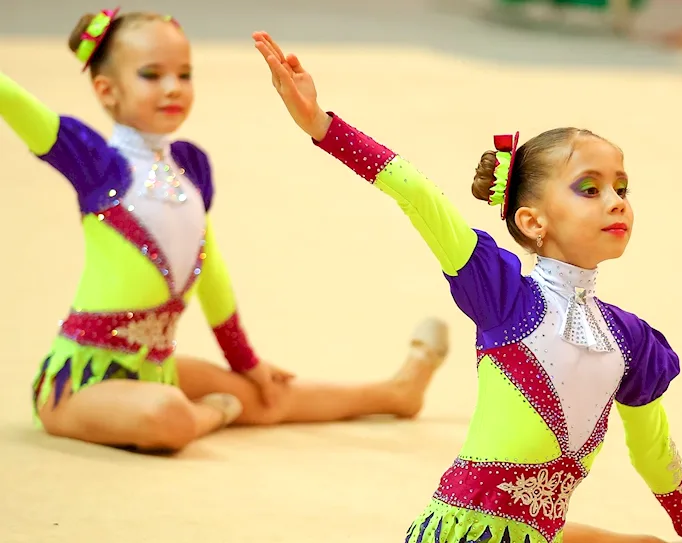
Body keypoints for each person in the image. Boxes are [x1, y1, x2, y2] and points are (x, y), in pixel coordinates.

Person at [253, 31, 682, 543]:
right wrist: (320, 123)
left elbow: (653, 450)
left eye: (621, 187)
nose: (615, 200)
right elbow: (417, 194)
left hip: (543, 539)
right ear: (531, 221)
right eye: (589, 188)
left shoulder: (630, 339)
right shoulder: (504, 295)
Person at [0, 9, 450, 454]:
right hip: (80, 384)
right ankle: (210, 416)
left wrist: (246, 363)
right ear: (107, 90)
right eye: (152, 75)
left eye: (184, 73)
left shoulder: (189, 168)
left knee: (265, 393)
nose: (173, 87)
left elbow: (210, 271)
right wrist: (218, 405)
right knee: (167, 415)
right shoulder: (96, 164)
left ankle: (396, 391)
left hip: (152, 367)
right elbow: (18, 105)